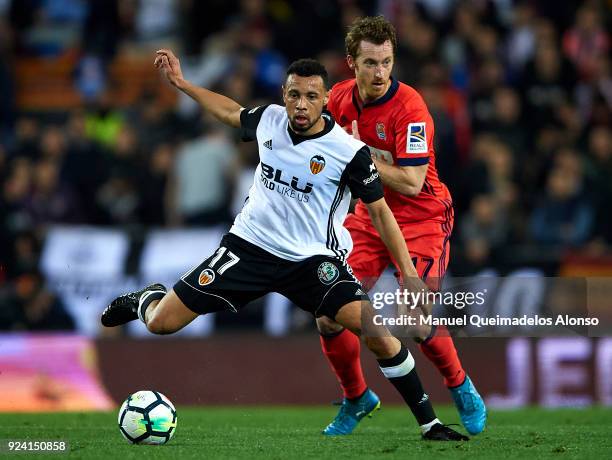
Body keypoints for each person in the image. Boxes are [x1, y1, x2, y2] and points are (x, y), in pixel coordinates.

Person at [101, 49, 468, 442]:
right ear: (283, 95)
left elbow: (381, 215)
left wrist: (409, 275)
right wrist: (182, 83)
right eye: (294, 95)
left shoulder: (350, 153)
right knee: (160, 324)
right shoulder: (269, 121)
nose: (301, 104)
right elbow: (229, 112)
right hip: (249, 247)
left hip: (311, 261)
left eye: (311, 96)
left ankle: (430, 424)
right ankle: (147, 299)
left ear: (326, 99)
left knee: (376, 331)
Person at [318, 16, 487, 436]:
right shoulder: (338, 99)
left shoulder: (410, 109)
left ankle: (459, 384)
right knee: (328, 313)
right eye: (371, 63)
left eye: (387, 62)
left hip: (421, 217)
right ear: (351, 63)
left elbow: (412, 183)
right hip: (368, 218)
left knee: (414, 319)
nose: (380, 73)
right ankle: (356, 397)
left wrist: (357, 159)